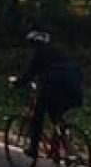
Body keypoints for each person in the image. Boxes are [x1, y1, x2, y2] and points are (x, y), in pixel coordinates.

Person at [12, 30, 85, 159]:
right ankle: (65, 146)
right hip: (73, 89)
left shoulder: (39, 55)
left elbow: (28, 74)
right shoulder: (60, 52)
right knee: (57, 116)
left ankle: (33, 149)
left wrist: (16, 83)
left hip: (53, 89)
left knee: (37, 117)